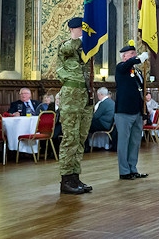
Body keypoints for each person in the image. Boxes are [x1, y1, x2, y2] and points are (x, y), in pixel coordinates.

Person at [55, 17, 94, 194]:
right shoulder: (65, 45)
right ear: (73, 29)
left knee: (80, 139)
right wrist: (80, 37)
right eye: (81, 28)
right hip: (71, 96)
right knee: (70, 138)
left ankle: (75, 176)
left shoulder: (87, 49)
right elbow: (71, 47)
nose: (84, 31)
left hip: (86, 96)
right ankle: (66, 179)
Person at [114, 40, 149, 180]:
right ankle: (124, 171)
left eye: (135, 53)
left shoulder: (137, 71)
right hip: (124, 112)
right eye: (132, 54)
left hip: (137, 111)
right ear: (124, 56)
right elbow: (126, 66)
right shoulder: (120, 68)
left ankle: (132, 168)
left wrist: (143, 112)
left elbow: (140, 91)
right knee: (123, 142)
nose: (135, 55)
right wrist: (138, 59)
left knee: (134, 142)